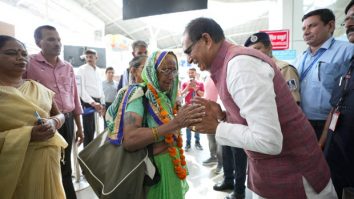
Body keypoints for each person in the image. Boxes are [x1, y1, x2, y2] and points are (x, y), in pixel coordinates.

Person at [182, 17, 337, 199]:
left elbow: (269, 140)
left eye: (188, 50)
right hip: (273, 174)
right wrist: (224, 116)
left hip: (295, 177)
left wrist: (217, 128)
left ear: (206, 40)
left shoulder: (240, 66)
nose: (188, 59)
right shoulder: (230, 63)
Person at [107, 51, 205, 199]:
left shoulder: (165, 97)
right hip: (152, 175)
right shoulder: (140, 94)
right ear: (152, 69)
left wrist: (184, 121)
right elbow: (130, 140)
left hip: (171, 168)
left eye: (174, 70)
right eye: (165, 69)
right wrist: (176, 123)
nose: (171, 76)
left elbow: (168, 131)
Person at [0, 35, 67, 198]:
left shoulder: (38, 87)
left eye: (24, 54)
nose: (20, 58)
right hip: (11, 170)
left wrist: (53, 122)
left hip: (47, 165)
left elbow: (60, 115)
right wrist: (27, 135)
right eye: (11, 53)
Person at [24, 25, 83, 199]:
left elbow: (74, 97)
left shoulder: (68, 67)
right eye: (50, 39)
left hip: (67, 120)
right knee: (48, 166)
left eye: (58, 40)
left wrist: (80, 127)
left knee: (66, 167)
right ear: (38, 42)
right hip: (44, 123)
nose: (57, 43)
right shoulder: (28, 63)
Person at [294, 8, 354, 139]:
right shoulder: (300, 58)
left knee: (330, 159)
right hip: (302, 121)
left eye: (312, 26)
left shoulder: (347, 51)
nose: (306, 32)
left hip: (333, 122)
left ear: (330, 26)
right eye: (304, 28)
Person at [319, 1, 354, 197]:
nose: (349, 23)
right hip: (338, 153)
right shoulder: (348, 64)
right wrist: (322, 143)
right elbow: (335, 107)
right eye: (347, 19)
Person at [244, 32, 300, 104]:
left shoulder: (284, 69)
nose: (254, 53)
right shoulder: (253, 71)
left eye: (257, 48)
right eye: (251, 51)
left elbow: (294, 102)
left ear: (269, 47)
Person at [77, 49, 105, 147]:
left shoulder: (99, 70)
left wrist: (103, 103)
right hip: (88, 102)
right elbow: (80, 90)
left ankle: (95, 153)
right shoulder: (81, 69)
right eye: (87, 57)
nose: (89, 59)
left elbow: (101, 89)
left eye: (91, 57)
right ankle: (87, 154)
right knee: (89, 131)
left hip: (99, 102)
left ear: (96, 58)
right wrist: (93, 103)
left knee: (98, 129)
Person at [180, 68, 204, 151]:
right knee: (188, 126)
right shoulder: (184, 83)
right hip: (188, 108)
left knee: (197, 125)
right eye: (189, 73)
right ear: (188, 73)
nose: (191, 74)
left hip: (197, 107)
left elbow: (202, 95)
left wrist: (196, 89)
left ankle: (197, 142)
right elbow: (181, 95)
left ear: (195, 73)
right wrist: (187, 87)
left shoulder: (200, 83)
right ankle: (188, 143)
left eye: (192, 73)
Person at [202, 76, 222, 170]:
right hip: (207, 112)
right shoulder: (208, 77)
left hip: (218, 112)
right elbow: (207, 94)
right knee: (210, 138)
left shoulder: (220, 75)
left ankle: (221, 163)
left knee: (220, 140)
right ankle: (213, 157)